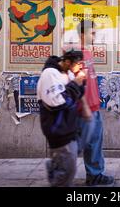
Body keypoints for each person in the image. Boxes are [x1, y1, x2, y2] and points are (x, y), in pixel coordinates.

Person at [37, 50, 86, 187]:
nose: (79, 67)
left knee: (69, 163)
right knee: (67, 170)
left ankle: (54, 168)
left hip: (68, 128)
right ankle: (57, 175)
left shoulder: (66, 73)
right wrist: (75, 84)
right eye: (77, 64)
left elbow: (74, 96)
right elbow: (58, 102)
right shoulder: (50, 74)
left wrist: (80, 83)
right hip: (58, 129)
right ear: (67, 62)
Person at [76, 20, 115, 186]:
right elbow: (76, 84)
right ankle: (94, 175)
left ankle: (95, 173)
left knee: (95, 142)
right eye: (92, 33)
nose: (95, 36)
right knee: (90, 143)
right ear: (83, 34)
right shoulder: (77, 55)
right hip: (85, 109)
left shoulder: (88, 53)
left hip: (94, 106)